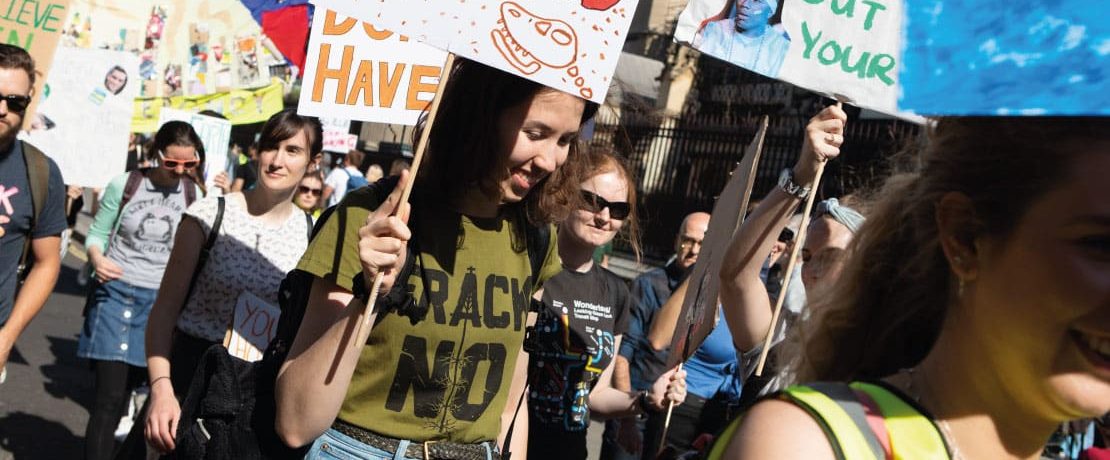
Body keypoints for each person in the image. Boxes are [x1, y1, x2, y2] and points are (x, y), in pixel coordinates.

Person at [275, 58, 636, 460]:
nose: (551, 161)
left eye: (565, 140)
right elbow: (295, 423)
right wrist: (370, 294)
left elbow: (511, 403)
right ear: (480, 116)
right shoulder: (374, 218)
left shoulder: (535, 234)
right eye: (535, 133)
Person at [715, 116, 1110, 459]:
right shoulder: (805, 445)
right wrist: (801, 175)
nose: (814, 270)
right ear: (965, 238)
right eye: (1099, 245)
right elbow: (736, 279)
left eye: (831, 257)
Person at [138, 109, 321, 455]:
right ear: (257, 151)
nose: (277, 160)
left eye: (293, 150)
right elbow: (163, 313)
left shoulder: (312, 234)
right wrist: (161, 390)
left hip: (257, 394)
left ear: (314, 162)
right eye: (271, 146)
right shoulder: (208, 215)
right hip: (190, 380)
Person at [525, 150, 685, 460]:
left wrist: (645, 400)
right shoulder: (529, 269)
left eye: (618, 209)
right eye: (592, 201)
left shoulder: (616, 292)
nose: (604, 217)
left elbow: (595, 396)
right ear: (565, 195)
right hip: (512, 446)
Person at [79, 121, 205, 460]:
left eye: (189, 164)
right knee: (109, 399)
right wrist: (95, 257)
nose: (180, 171)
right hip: (115, 292)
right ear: (156, 155)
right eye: (171, 163)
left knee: (147, 401)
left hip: (162, 305)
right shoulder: (127, 184)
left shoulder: (197, 196)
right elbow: (96, 234)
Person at [600, 211, 710, 460]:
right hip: (636, 408)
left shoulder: (710, 295)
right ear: (676, 241)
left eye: (702, 244)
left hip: (677, 418)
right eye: (688, 240)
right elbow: (622, 356)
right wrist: (627, 419)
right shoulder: (648, 285)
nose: (693, 250)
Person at [0, 44, 66, 385]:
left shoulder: (41, 173)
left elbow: (47, 262)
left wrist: (7, 337)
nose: (2, 110)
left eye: (15, 102)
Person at [692, 0, 790, 77]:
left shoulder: (780, 49)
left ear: (770, 12)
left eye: (756, 1)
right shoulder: (714, 31)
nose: (745, 4)